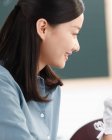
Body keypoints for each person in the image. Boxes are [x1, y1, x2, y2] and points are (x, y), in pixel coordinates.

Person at [0, 0, 84, 139]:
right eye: (74, 33)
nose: (77, 46)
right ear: (43, 28)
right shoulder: (3, 84)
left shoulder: (51, 88)